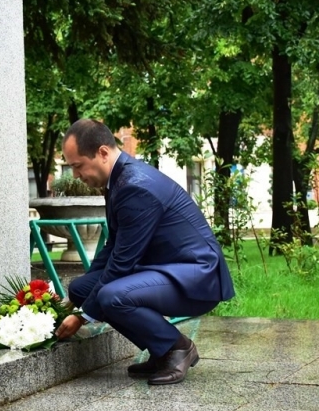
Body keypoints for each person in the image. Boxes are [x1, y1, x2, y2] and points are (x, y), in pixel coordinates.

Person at [54, 119, 235, 385]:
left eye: (78, 166)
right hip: (168, 269)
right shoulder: (120, 179)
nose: (76, 175)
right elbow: (113, 246)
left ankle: (177, 348)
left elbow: (122, 262)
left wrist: (82, 317)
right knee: (82, 288)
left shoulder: (134, 186)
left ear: (102, 153)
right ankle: (160, 350)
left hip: (196, 275)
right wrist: (72, 300)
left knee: (112, 297)